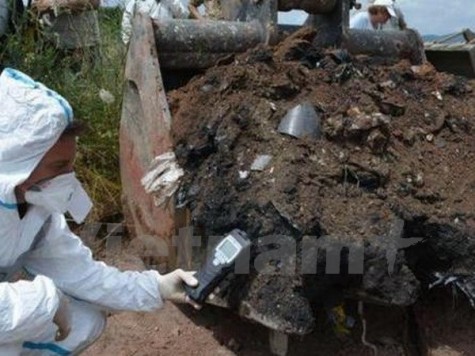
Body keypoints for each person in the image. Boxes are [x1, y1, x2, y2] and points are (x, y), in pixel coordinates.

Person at [0, 66, 200, 354]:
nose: (69, 177)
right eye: (58, 167)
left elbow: (82, 273)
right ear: (17, 164)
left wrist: (156, 287)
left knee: (84, 321)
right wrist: (44, 300)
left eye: (70, 165)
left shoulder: (37, 210)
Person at [121, 0, 189, 45]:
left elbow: (184, 15)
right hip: (143, 45)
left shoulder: (170, 2)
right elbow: (127, 21)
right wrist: (127, 42)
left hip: (166, 44)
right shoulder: (137, 2)